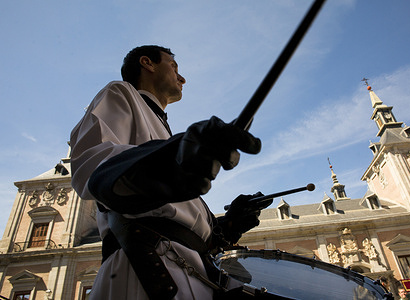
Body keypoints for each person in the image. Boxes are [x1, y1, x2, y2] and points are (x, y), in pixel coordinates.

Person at [70, 45, 271, 299]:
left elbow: (178, 217)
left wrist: (226, 225)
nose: (182, 77)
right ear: (148, 63)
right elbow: (94, 168)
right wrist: (171, 157)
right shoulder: (120, 92)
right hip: (147, 268)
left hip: (192, 270)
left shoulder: (165, 130)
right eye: (174, 66)